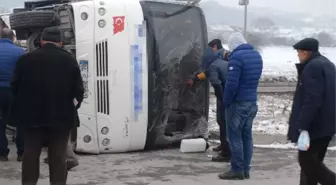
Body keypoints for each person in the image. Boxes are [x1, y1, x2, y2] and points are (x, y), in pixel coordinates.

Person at [11, 26, 84, 185]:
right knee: (58, 157)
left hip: (32, 117)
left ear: (42, 41)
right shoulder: (69, 59)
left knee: (30, 154)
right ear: (60, 42)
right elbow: (79, 91)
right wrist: (72, 108)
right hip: (61, 117)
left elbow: (14, 86)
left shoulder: (26, 59)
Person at [287, 38, 336, 185]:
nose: (298, 56)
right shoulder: (327, 64)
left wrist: (302, 125)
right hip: (328, 123)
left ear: (306, 52)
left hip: (316, 124)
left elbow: (312, 99)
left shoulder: (312, 67)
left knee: (307, 162)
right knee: (313, 164)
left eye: (299, 52)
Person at [219, 32, 262, 180]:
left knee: (234, 136)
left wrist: (226, 101)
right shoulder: (257, 56)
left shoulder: (236, 57)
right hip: (251, 102)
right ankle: (245, 169)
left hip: (238, 103)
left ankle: (237, 169)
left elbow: (232, 84)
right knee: (247, 136)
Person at [186, 43, 230, 162]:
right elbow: (207, 73)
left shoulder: (225, 58)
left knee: (225, 122)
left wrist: (223, 98)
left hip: (226, 97)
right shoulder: (217, 61)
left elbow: (215, 81)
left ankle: (227, 150)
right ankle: (224, 145)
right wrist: (195, 79)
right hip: (226, 96)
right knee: (221, 121)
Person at [0, 28, 25, 162]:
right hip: (14, 91)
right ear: (13, 37)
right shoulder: (20, 52)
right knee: (21, 121)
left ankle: (2, 154)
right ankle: (22, 153)